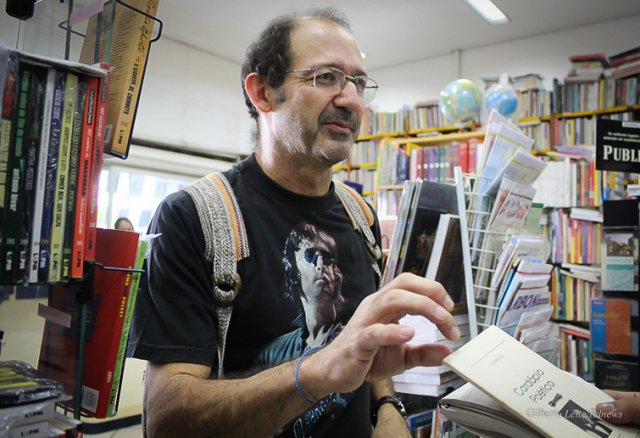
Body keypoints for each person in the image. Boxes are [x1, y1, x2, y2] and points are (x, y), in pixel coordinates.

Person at [128, 7, 460, 438]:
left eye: (359, 83)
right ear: (263, 94)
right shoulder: (193, 218)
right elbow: (166, 421)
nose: (351, 100)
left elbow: (364, 343)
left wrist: (387, 405)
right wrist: (320, 369)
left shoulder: (360, 216)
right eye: (326, 77)